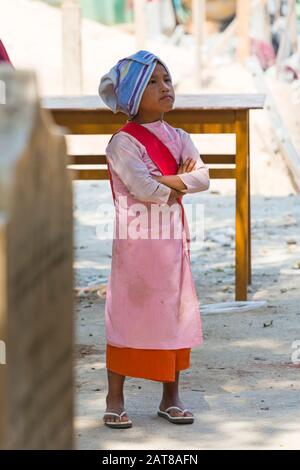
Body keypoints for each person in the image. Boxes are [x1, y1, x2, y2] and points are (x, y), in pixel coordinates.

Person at [98, 50, 210, 429]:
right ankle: (115, 398)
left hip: (172, 242)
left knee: (173, 313)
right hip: (136, 245)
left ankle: (171, 397)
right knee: (127, 316)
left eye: (167, 80)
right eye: (153, 82)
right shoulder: (122, 143)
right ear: (131, 95)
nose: (165, 87)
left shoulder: (180, 136)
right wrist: (177, 181)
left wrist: (169, 182)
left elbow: (203, 178)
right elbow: (143, 188)